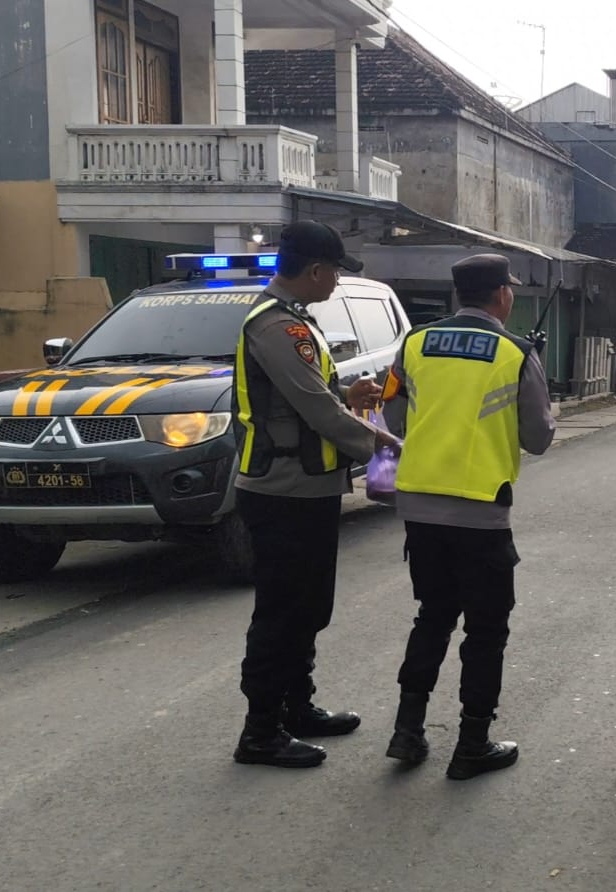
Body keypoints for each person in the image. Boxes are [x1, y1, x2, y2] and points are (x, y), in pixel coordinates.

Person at [378, 253, 556, 780]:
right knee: (485, 630)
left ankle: (406, 732)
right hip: (480, 512)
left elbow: (389, 416)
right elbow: (539, 438)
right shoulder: (515, 351)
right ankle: (472, 743)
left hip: (419, 508)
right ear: (501, 295)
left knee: (433, 615)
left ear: (459, 295)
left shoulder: (413, 344)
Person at [231, 220, 400, 769]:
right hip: (283, 491)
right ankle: (260, 732)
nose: (336, 284)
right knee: (282, 612)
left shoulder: (293, 322)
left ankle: (296, 707)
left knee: (307, 607)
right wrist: (379, 442)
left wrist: (347, 392)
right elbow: (315, 409)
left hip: (307, 487)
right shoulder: (277, 327)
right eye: (335, 273)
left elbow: (311, 395)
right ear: (316, 270)